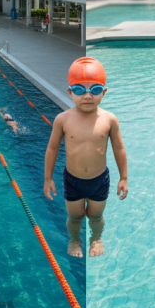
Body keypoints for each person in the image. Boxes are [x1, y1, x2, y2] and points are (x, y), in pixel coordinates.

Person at [43, 57, 128, 258]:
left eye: (95, 90)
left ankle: (96, 238)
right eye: (80, 90)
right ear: (70, 92)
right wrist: (48, 178)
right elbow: (52, 148)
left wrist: (123, 177)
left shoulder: (109, 119)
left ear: (104, 92)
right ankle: (74, 240)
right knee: (75, 216)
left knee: (96, 216)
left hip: (100, 180)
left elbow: (118, 148)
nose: (88, 96)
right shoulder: (62, 119)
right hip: (72, 180)